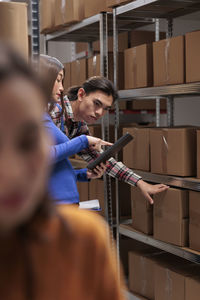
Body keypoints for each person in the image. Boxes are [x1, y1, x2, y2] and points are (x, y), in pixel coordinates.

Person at [0, 42, 126, 300]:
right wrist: (81, 143)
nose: (13, 171)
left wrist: (83, 174)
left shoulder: (86, 238)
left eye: (27, 143)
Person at [46, 59, 168, 203]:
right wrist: (83, 141)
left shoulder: (78, 126)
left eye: (105, 108)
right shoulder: (52, 109)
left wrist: (140, 183)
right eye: (96, 104)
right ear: (81, 95)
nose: (99, 113)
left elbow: (103, 161)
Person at [40, 55, 111, 204]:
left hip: (63, 203)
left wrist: (83, 174)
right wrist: (83, 141)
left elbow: (54, 169)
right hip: (52, 204)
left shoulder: (43, 115)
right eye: (58, 80)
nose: (61, 87)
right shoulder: (34, 115)